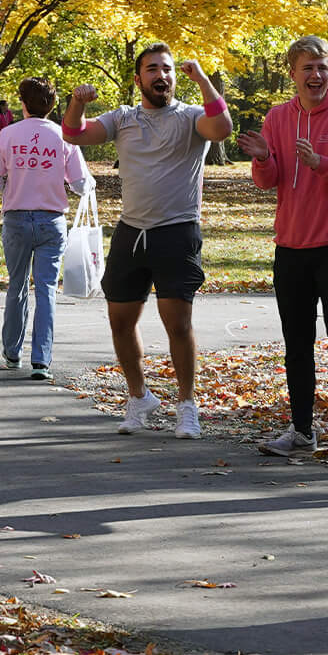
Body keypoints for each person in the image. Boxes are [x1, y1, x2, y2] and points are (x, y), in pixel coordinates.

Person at [62, 44, 232, 437]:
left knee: (178, 323)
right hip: (130, 233)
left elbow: (222, 129)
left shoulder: (192, 116)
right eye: (152, 69)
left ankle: (187, 405)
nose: (162, 75)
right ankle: (139, 396)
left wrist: (203, 80)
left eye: (168, 69)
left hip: (176, 232)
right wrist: (77, 102)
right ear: (138, 79)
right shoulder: (123, 118)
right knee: (120, 321)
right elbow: (74, 134)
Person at [241, 36, 328, 460]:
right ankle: (301, 430)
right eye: (307, 68)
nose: (315, 75)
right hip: (291, 247)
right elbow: (266, 182)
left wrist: (319, 163)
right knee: (296, 344)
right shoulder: (278, 117)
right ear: (292, 73)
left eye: (322, 67)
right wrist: (263, 158)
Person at [0, 77, 94, 381]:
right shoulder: (63, 136)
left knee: (16, 287)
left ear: (23, 103)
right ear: (53, 105)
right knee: (46, 290)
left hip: (16, 219)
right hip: (52, 221)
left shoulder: (7, 136)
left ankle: (12, 352)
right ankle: (41, 359)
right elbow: (82, 185)